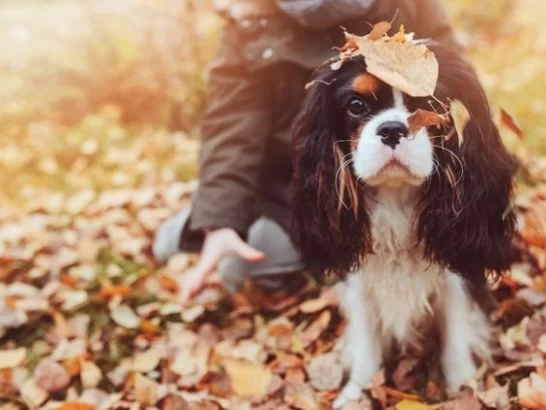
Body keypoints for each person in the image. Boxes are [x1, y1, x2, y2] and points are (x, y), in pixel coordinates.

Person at [152, 0, 463, 304]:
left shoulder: (414, 5)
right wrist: (220, 223)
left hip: (398, 182)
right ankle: (201, 223)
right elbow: (230, 126)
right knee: (235, 269)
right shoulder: (247, 15)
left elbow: (457, 98)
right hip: (290, 192)